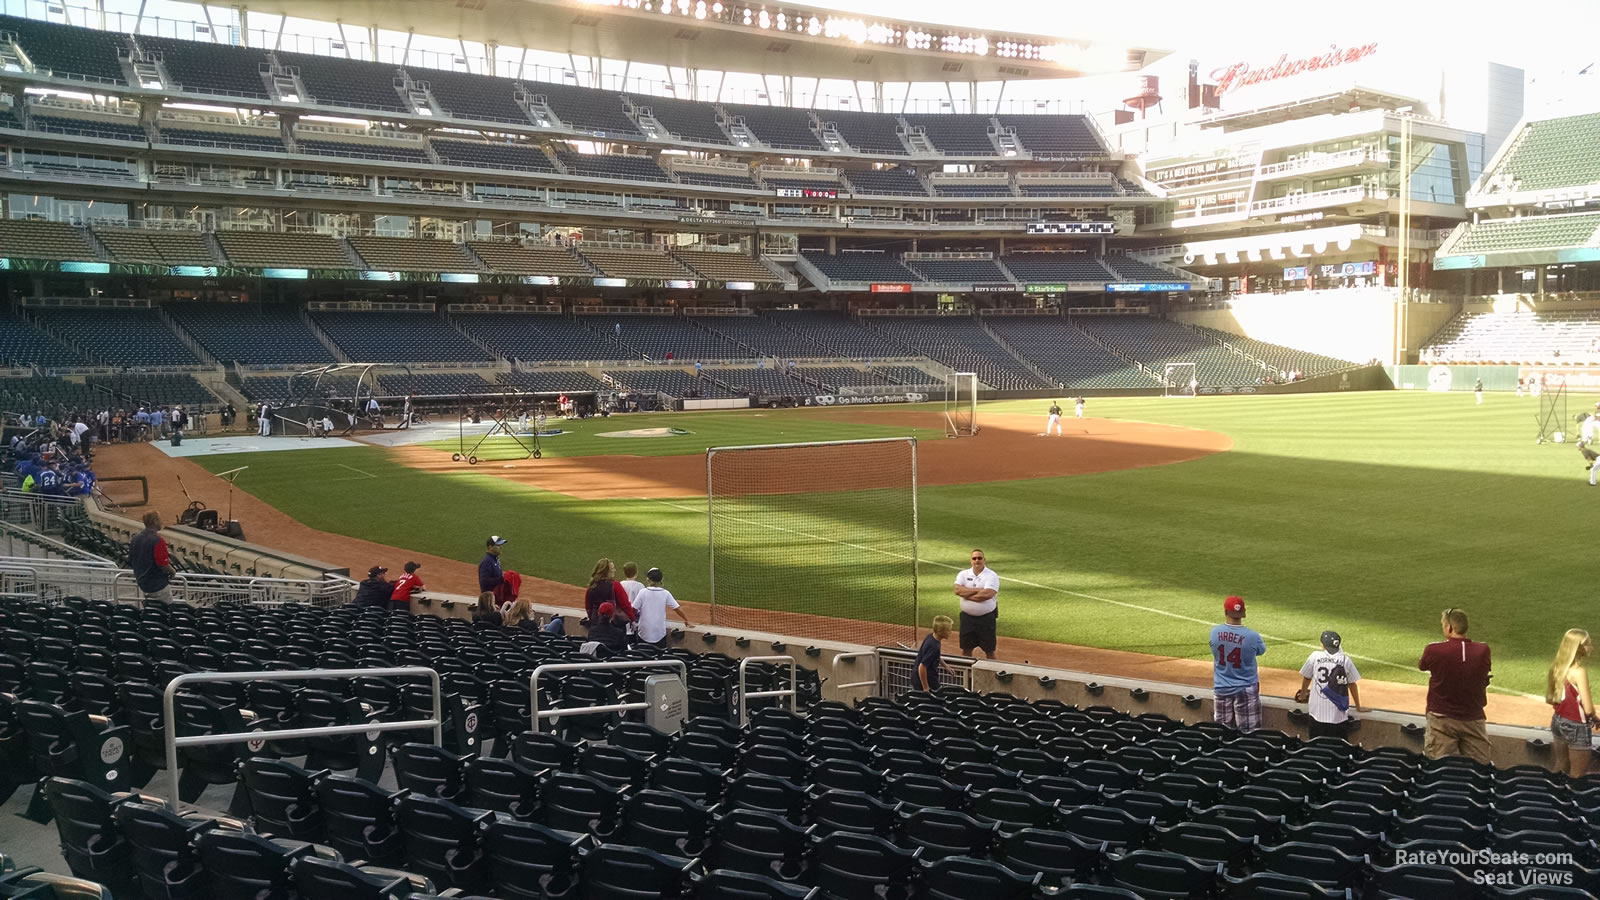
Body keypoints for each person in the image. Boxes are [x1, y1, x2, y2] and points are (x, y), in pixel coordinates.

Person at [1419, 607, 1493, 764]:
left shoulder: (1434, 649)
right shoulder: (1483, 650)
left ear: (1450, 627)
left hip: (1441, 719)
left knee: (1439, 768)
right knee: (1479, 770)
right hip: (1473, 719)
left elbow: (1423, 665)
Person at [1209, 595, 1266, 732]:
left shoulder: (1214, 633)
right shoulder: (1253, 636)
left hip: (1221, 687)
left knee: (1221, 733)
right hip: (1245, 688)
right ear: (1243, 613)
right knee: (1249, 734)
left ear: (1225, 612)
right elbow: (1260, 651)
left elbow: (1215, 650)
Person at [1295, 630, 1366, 739]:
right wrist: (1358, 707)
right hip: (1338, 717)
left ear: (1322, 645)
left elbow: (1306, 677)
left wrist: (1303, 695)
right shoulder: (1346, 660)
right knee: (1338, 749)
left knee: (1316, 748)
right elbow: (1352, 684)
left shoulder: (1315, 656)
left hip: (1316, 715)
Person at [1546, 628, 1596, 777]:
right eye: (1587, 644)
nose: (1591, 647)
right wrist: (1594, 716)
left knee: (1560, 765)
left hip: (1558, 721)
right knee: (1578, 774)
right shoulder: (1579, 671)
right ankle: (1572, 799)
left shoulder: (1558, 667)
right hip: (1577, 726)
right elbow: (1587, 709)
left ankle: (1554, 796)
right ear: (1578, 648)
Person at [953, 549, 999, 660]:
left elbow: (987, 594)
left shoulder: (991, 575)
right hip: (967, 619)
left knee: (990, 651)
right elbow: (957, 590)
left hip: (986, 620)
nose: (977, 560)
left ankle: (993, 675)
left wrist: (966, 594)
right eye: (974, 558)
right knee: (966, 649)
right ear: (971, 560)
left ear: (984, 560)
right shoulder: (963, 574)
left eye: (979, 558)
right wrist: (979, 590)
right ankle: (965, 675)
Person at [632, 567, 693, 645]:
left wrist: (633, 620)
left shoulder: (642, 592)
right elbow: (677, 608)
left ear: (648, 579)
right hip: (659, 635)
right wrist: (686, 620)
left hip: (643, 634)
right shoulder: (665, 593)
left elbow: (633, 609)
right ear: (661, 580)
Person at [129, 511, 176, 605]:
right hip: (157, 584)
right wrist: (172, 571)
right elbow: (162, 564)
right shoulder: (158, 540)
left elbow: (131, 559)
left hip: (143, 583)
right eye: (159, 520)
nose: (161, 522)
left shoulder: (136, 538)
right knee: (166, 613)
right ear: (155, 521)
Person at [585, 558, 637, 624]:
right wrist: (633, 619)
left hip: (596, 622)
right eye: (612, 569)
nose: (614, 570)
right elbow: (625, 604)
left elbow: (588, 607)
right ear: (606, 571)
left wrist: (592, 618)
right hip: (612, 623)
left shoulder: (591, 586)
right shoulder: (615, 585)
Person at [916, 615, 956, 691]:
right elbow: (922, 667)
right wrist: (926, 688)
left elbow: (935, 655)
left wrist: (946, 666)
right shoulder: (934, 647)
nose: (951, 632)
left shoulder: (931, 637)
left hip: (920, 680)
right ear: (940, 631)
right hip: (928, 682)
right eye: (948, 630)